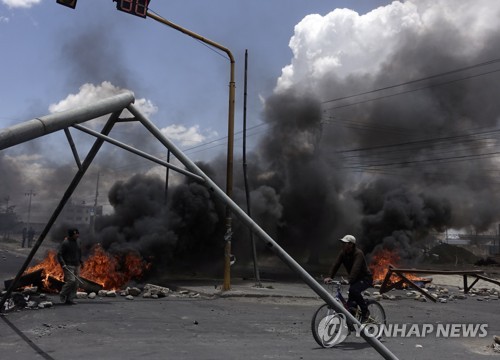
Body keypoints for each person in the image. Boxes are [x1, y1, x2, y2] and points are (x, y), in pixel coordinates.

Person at [323, 234, 373, 322]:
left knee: (354, 290)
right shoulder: (343, 253)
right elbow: (336, 264)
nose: (342, 244)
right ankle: (352, 322)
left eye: (345, 243)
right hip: (355, 280)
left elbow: (356, 268)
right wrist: (330, 277)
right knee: (351, 303)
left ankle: (365, 312)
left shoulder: (358, 253)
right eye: (342, 242)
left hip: (365, 278)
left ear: (351, 244)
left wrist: (349, 280)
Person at [57, 228, 83, 305]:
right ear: (71, 235)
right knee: (71, 281)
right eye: (75, 234)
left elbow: (79, 252)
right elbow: (59, 254)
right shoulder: (65, 243)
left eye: (78, 233)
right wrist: (63, 264)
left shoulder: (78, 241)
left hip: (77, 265)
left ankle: (70, 299)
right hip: (68, 265)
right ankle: (62, 293)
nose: (77, 235)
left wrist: (81, 261)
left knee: (76, 283)